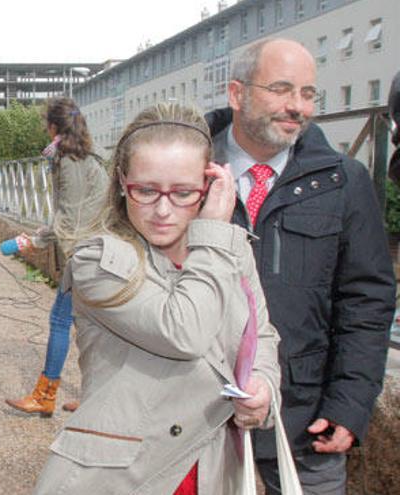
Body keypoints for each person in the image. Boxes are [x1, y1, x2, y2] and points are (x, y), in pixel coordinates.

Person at [34, 103, 281, 494]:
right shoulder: (97, 260)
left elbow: (260, 334)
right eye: (145, 190)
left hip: (213, 469)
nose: (163, 210)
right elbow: (184, 332)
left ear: (210, 184)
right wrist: (214, 233)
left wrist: (264, 388)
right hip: (123, 478)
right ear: (120, 182)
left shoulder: (232, 249)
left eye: (183, 192)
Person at [206, 38, 395, 493]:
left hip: (304, 424)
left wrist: (350, 404)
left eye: (308, 94)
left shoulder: (343, 180)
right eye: (282, 89)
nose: (297, 107)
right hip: (199, 418)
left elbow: (366, 300)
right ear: (237, 94)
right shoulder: (189, 170)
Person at [5, 98, 108, 416]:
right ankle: (94, 397)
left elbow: (71, 220)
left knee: (62, 321)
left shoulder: (70, 159)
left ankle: (45, 395)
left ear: (52, 126)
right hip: (94, 248)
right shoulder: (86, 155)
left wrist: (32, 240)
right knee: (91, 327)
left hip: (86, 252)